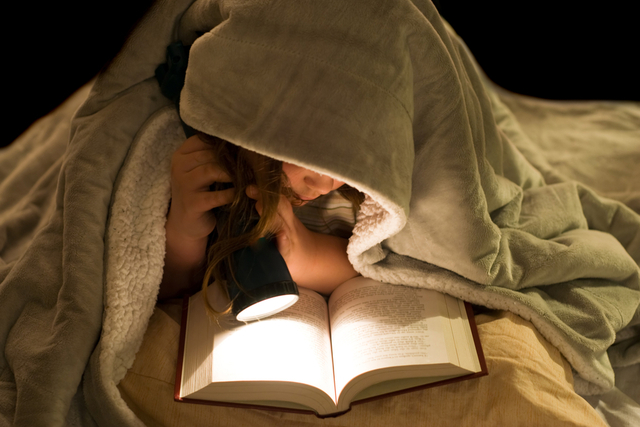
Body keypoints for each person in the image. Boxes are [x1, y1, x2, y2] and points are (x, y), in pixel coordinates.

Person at [159, 133, 363, 306]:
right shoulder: (205, 174)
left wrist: (307, 256)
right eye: (306, 153)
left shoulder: (357, 198)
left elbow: (379, 263)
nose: (324, 186)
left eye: (345, 156)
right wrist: (184, 234)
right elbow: (168, 296)